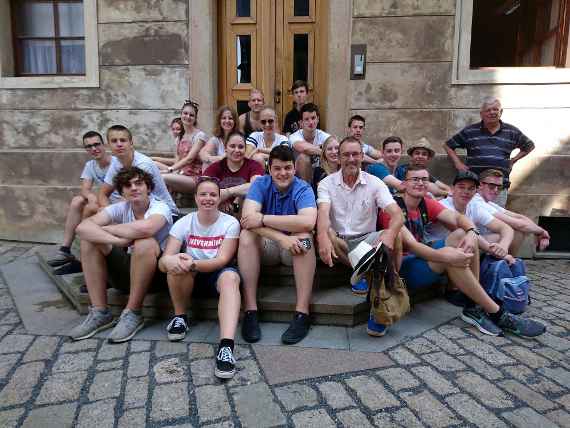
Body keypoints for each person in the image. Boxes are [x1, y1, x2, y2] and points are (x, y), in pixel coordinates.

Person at [378, 165, 546, 338]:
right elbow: (412, 246)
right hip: (402, 270)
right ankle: (497, 314)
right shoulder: (393, 208)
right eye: (415, 179)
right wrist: (444, 255)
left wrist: (472, 232)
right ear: (404, 184)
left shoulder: (425, 203)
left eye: (424, 179)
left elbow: (458, 218)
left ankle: (473, 306)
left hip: (423, 259)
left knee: (461, 234)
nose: (420, 183)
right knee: (453, 255)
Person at [70, 167, 173, 342]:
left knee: (144, 242)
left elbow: (147, 228)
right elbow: (82, 228)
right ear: (121, 192)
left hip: (156, 275)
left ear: (148, 188)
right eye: (127, 185)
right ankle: (100, 312)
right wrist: (118, 241)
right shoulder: (120, 208)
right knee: (89, 240)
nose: (133, 188)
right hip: (127, 269)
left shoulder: (160, 207)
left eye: (138, 183)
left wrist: (106, 230)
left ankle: (133, 313)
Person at [316, 136, 404, 336]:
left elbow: (397, 214)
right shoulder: (326, 184)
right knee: (327, 232)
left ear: (363, 156)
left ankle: (381, 302)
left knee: (396, 236)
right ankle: (363, 271)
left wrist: (390, 234)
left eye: (355, 154)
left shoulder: (375, 183)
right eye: (346, 154)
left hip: (367, 242)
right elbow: (323, 213)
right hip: (340, 243)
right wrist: (322, 237)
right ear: (338, 158)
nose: (351, 159)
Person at [159, 177, 241, 379]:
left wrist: (192, 263)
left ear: (220, 198)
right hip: (191, 276)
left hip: (217, 274)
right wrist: (171, 261)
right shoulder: (184, 222)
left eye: (213, 194)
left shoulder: (230, 223)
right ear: (195, 198)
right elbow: (164, 260)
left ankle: (226, 347)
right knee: (176, 265)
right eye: (203, 194)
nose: (208, 198)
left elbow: (222, 259)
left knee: (231, 278)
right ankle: (180, 317)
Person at [238, 145, 317, 344]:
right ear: (270, 169)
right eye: (277, 168)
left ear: (295, 168)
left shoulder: (303, 187)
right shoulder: (260, 184)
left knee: (305, 237)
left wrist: (263, 218)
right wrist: (281, 237)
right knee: (247, 236)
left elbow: (307, 222)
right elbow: (247, 219)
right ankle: (250, 311)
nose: (283, 173)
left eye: (287, 168)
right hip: (270, 246)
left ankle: (302, 313)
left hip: (294, 249)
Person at [47, 131, 119, 271]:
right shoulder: (90, 165)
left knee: (90, 209)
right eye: (89, 146)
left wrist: (96, 201)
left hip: (118, 204)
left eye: (97, 144)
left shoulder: (116, 163)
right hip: (102, 201)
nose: (94, 149)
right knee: (77, 201)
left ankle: (88, 259)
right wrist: (91, 197)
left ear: (104, 145)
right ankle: (65, 249)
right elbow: (85, 189)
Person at [445, 97, 535, 207]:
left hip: (498, 188)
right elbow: (448, 145)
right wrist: (457, 163)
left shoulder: (512, 131)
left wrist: (513, 160)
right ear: (481, 114)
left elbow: (529, 146)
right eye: (488, 110)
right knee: (472, 216)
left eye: (495, 109)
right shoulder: (470, 131)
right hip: (474, 186)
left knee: (496, 217)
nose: (492, 112)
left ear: (501, 112)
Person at [425, 171, 514, 262]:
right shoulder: (444, 205)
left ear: (476, 191)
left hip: (461, 246)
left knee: (497, 237)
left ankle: (493, 267)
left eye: (471, 188)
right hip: (436, 247)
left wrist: (503, 246)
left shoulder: (473, 206)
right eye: (461, 187)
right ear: (452, 189)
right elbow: (464, 232)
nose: (466, 192)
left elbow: (506, 228)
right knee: (465, 237)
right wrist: (498, 253)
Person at [98, 125, 178, 215]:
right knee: (97, 210)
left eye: (123, 140)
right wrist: (108, 212)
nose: (119, 144)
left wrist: (111, 214)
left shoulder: (143, 164)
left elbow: (138, 199)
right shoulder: (117, 162)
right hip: (138, 211)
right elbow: (103, 194)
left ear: (131, 143)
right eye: (114, 141)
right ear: (108, 145)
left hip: (164, 213)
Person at [470, 169, 550, 256]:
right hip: (470, 242)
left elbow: (520, 217)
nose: (496, 190)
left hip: (481, 240)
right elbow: (519, 224)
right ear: (480, 185)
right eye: (492, 186)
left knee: (517, 232)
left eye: (499, 187)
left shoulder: (487, 202)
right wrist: (542, 232)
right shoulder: (478, 202)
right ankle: (508, 263)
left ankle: (507, 263)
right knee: (516, 232)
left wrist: (539, 232)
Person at [204, 132, 265, 213]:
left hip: (244, 211)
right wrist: (220, 200)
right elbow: (203, 188)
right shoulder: (216, 167)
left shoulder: (254, 165)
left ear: (245, 149)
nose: (237, 150)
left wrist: (227, 193)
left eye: (241, 147)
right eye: (232, 146)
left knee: (243, 198)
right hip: (219, 212)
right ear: (225, 148)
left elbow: (256, 186)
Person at [160, 100, 209, 194]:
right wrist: (173, 171)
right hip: (181, 174)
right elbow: (177, 161)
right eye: (185, 113)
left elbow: (189, 159)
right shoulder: (179, 138)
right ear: (181, 114)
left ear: (195, 118)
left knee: (162, 177)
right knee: (152, 166)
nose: (188, 117)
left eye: (191, 115)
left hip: (195, 178)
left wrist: (169, 170)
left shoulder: (200, 136)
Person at [289, 103, 332, 183]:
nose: (311, 122)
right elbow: (303, 148)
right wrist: (324, 151)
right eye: (307, 119)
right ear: (301, 123)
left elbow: (335, 149)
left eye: (313, 118)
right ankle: (306, 192)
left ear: (318, 119)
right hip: (300, 178)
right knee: (303, 157)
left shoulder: (325, 136)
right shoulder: (294, 136)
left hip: (320, 175)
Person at [199, 106, 239, 170]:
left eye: (230, 118)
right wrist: (220, 158)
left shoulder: (239, 139)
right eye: (224, 118)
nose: (227, 121)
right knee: (206, 163)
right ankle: (206, 180)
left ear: (235, 121)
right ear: (219, 121)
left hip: (235, 171)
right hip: (220, 172)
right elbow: (202, 154)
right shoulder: (216, 139)